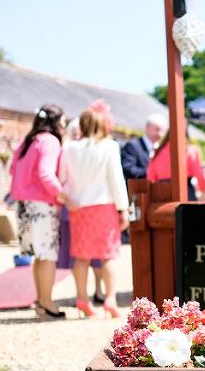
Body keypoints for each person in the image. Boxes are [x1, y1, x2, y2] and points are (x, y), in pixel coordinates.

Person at [60, 106, 130, 318]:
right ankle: (110, 299)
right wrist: (123, 208)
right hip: (104, 205)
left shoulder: (69, 148)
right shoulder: (109, 146)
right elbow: (116, 179)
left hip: (78, 207)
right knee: (108, 255)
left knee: (81, 257)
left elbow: (62, 179)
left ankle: (82, 299)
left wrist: (67, 198)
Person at [9, 104, 67, 318]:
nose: (64, 127)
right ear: (56, 122)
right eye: (63, 122)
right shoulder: (50, 141)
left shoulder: (27, 140)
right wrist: (62, 195)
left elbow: (12, 170)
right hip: (42, 204)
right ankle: (47, 302)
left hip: (23, 205)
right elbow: (45, 173)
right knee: (48, 255)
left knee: (39, 256)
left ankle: (42, 301)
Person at [57, 116, 105, 303]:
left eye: (79, 133)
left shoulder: (96, 148)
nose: (77, 136)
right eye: (74, 133)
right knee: (77, 255)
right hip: (72, 208)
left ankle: (98, 289)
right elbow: (60, 179)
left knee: (98, 255)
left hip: (93, 206)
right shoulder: (67, 150)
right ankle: (81, 294)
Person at [146, 132, 205, 200]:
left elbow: (150, 179)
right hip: (184, 192)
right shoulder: (189, 150)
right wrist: (203, 191)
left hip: (163, 195)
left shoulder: (158, 152)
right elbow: (199, 174)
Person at [121, 113, 168, 180]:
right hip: (138, 186)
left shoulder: (161, 149)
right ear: (147, 127)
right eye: (157, 129)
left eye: (162, 131)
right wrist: (152, 172)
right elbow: (128, 169)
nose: (160, 134)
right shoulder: (132, 146)